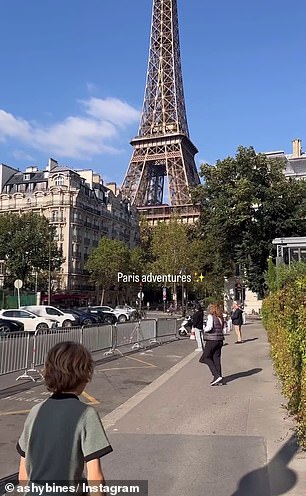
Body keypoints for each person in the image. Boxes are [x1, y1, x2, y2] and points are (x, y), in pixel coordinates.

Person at [16, 342, 112, 490]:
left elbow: (23, 473)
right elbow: (95, 476)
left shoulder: (36, 411)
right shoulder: (86, 414)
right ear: (84, 375)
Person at [200, 303, 225, 385]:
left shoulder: (211, 316)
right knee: (216, 359)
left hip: (212, 340)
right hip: (220, 340)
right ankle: (219, 378)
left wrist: (204, 328)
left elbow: (209, 327)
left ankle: (216, 375)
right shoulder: (220, 317)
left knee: (205, 357)